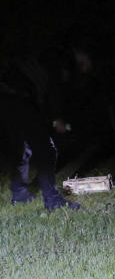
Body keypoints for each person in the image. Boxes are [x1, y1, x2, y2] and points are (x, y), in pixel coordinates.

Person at [0, 46, 84, 210]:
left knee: (22, 149)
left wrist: (49, 118)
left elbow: (41, 98)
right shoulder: (59, 62)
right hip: (18, 99)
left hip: (6, 98)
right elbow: (52, 93)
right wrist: (57, 118)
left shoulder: (44, 57)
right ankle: (53, 201)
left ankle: (19, 194)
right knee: (46, 150)